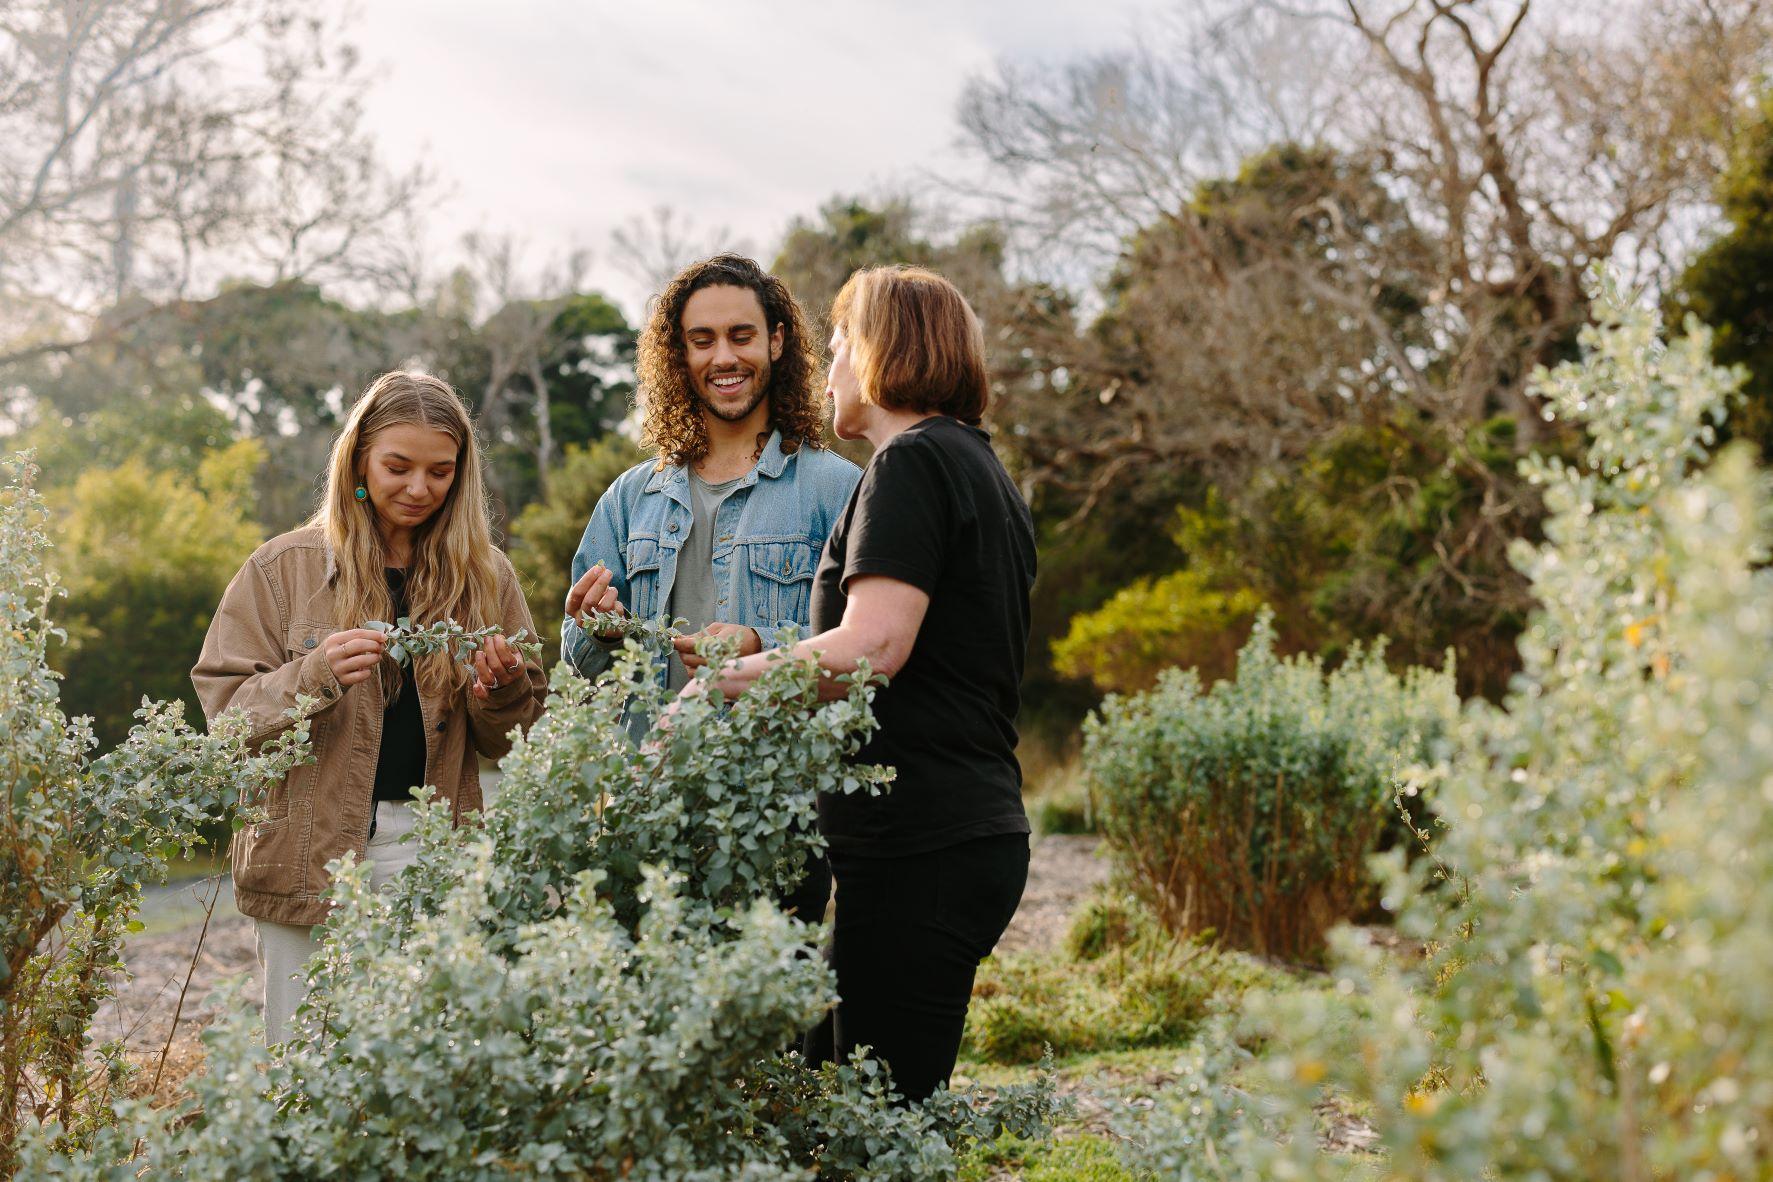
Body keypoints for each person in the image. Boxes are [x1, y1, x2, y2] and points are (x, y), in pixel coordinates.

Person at [693, 265, 1036, 1101]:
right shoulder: (975, 466)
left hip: (927, 845)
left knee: (881, 1125)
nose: (827, 369)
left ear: (881, 351)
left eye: (840, 344)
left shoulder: (912, 463)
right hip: (941, 839)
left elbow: (873, 646)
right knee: (830, 1093)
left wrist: (720, 685)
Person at [192, 371, 547, 1044]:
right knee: (306, 1061)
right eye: (398, 467)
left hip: (435, 848)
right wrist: (314, 675)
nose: (419, 488)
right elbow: (226, 716)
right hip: (307, 852)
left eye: (440, 472)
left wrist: (502, 692)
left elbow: (515, 740)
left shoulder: (487, 576)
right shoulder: (281, 569)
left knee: (429, 1060)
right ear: (358, 461)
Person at [561, 253, 860, 922]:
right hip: (646, 810)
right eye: (703, 340)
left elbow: (868, 653)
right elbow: (577, 664)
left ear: (776, 342)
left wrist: (763, 644)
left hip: (778, 820)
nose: (723, 357)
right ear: (680, 355)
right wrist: (596, 631)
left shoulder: (834, 490)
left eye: (740, 336)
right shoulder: (629, 499)